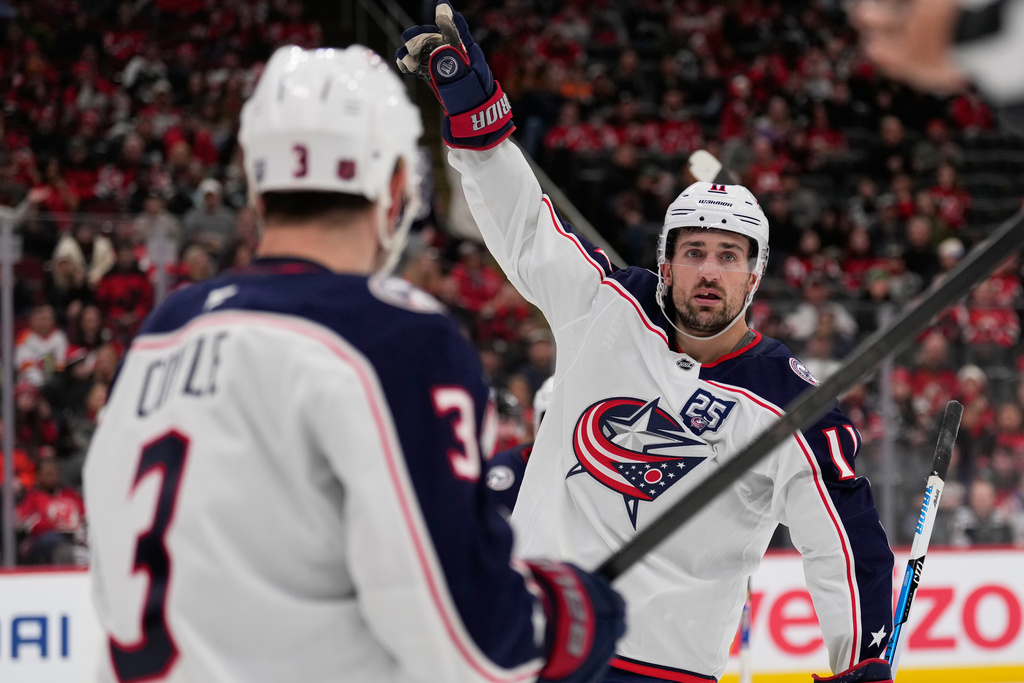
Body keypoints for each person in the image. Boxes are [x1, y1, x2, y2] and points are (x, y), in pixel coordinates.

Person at [83, 44, 622, 683]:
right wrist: (565, 615)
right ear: (396, 186)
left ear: (255, 182)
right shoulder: (396, 335)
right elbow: (467, 633)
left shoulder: (169, 326)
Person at [397, 4, 895, 681]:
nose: (710, 271)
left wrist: (860, 662)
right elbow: (524, 227)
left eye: (728, 255)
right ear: (666, 263)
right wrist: (476, 117)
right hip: (531, 645)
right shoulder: (605, 306)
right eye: (694, 252)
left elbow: (842, 545)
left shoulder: (790, 407)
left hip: (661, 669)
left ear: (755, 274)